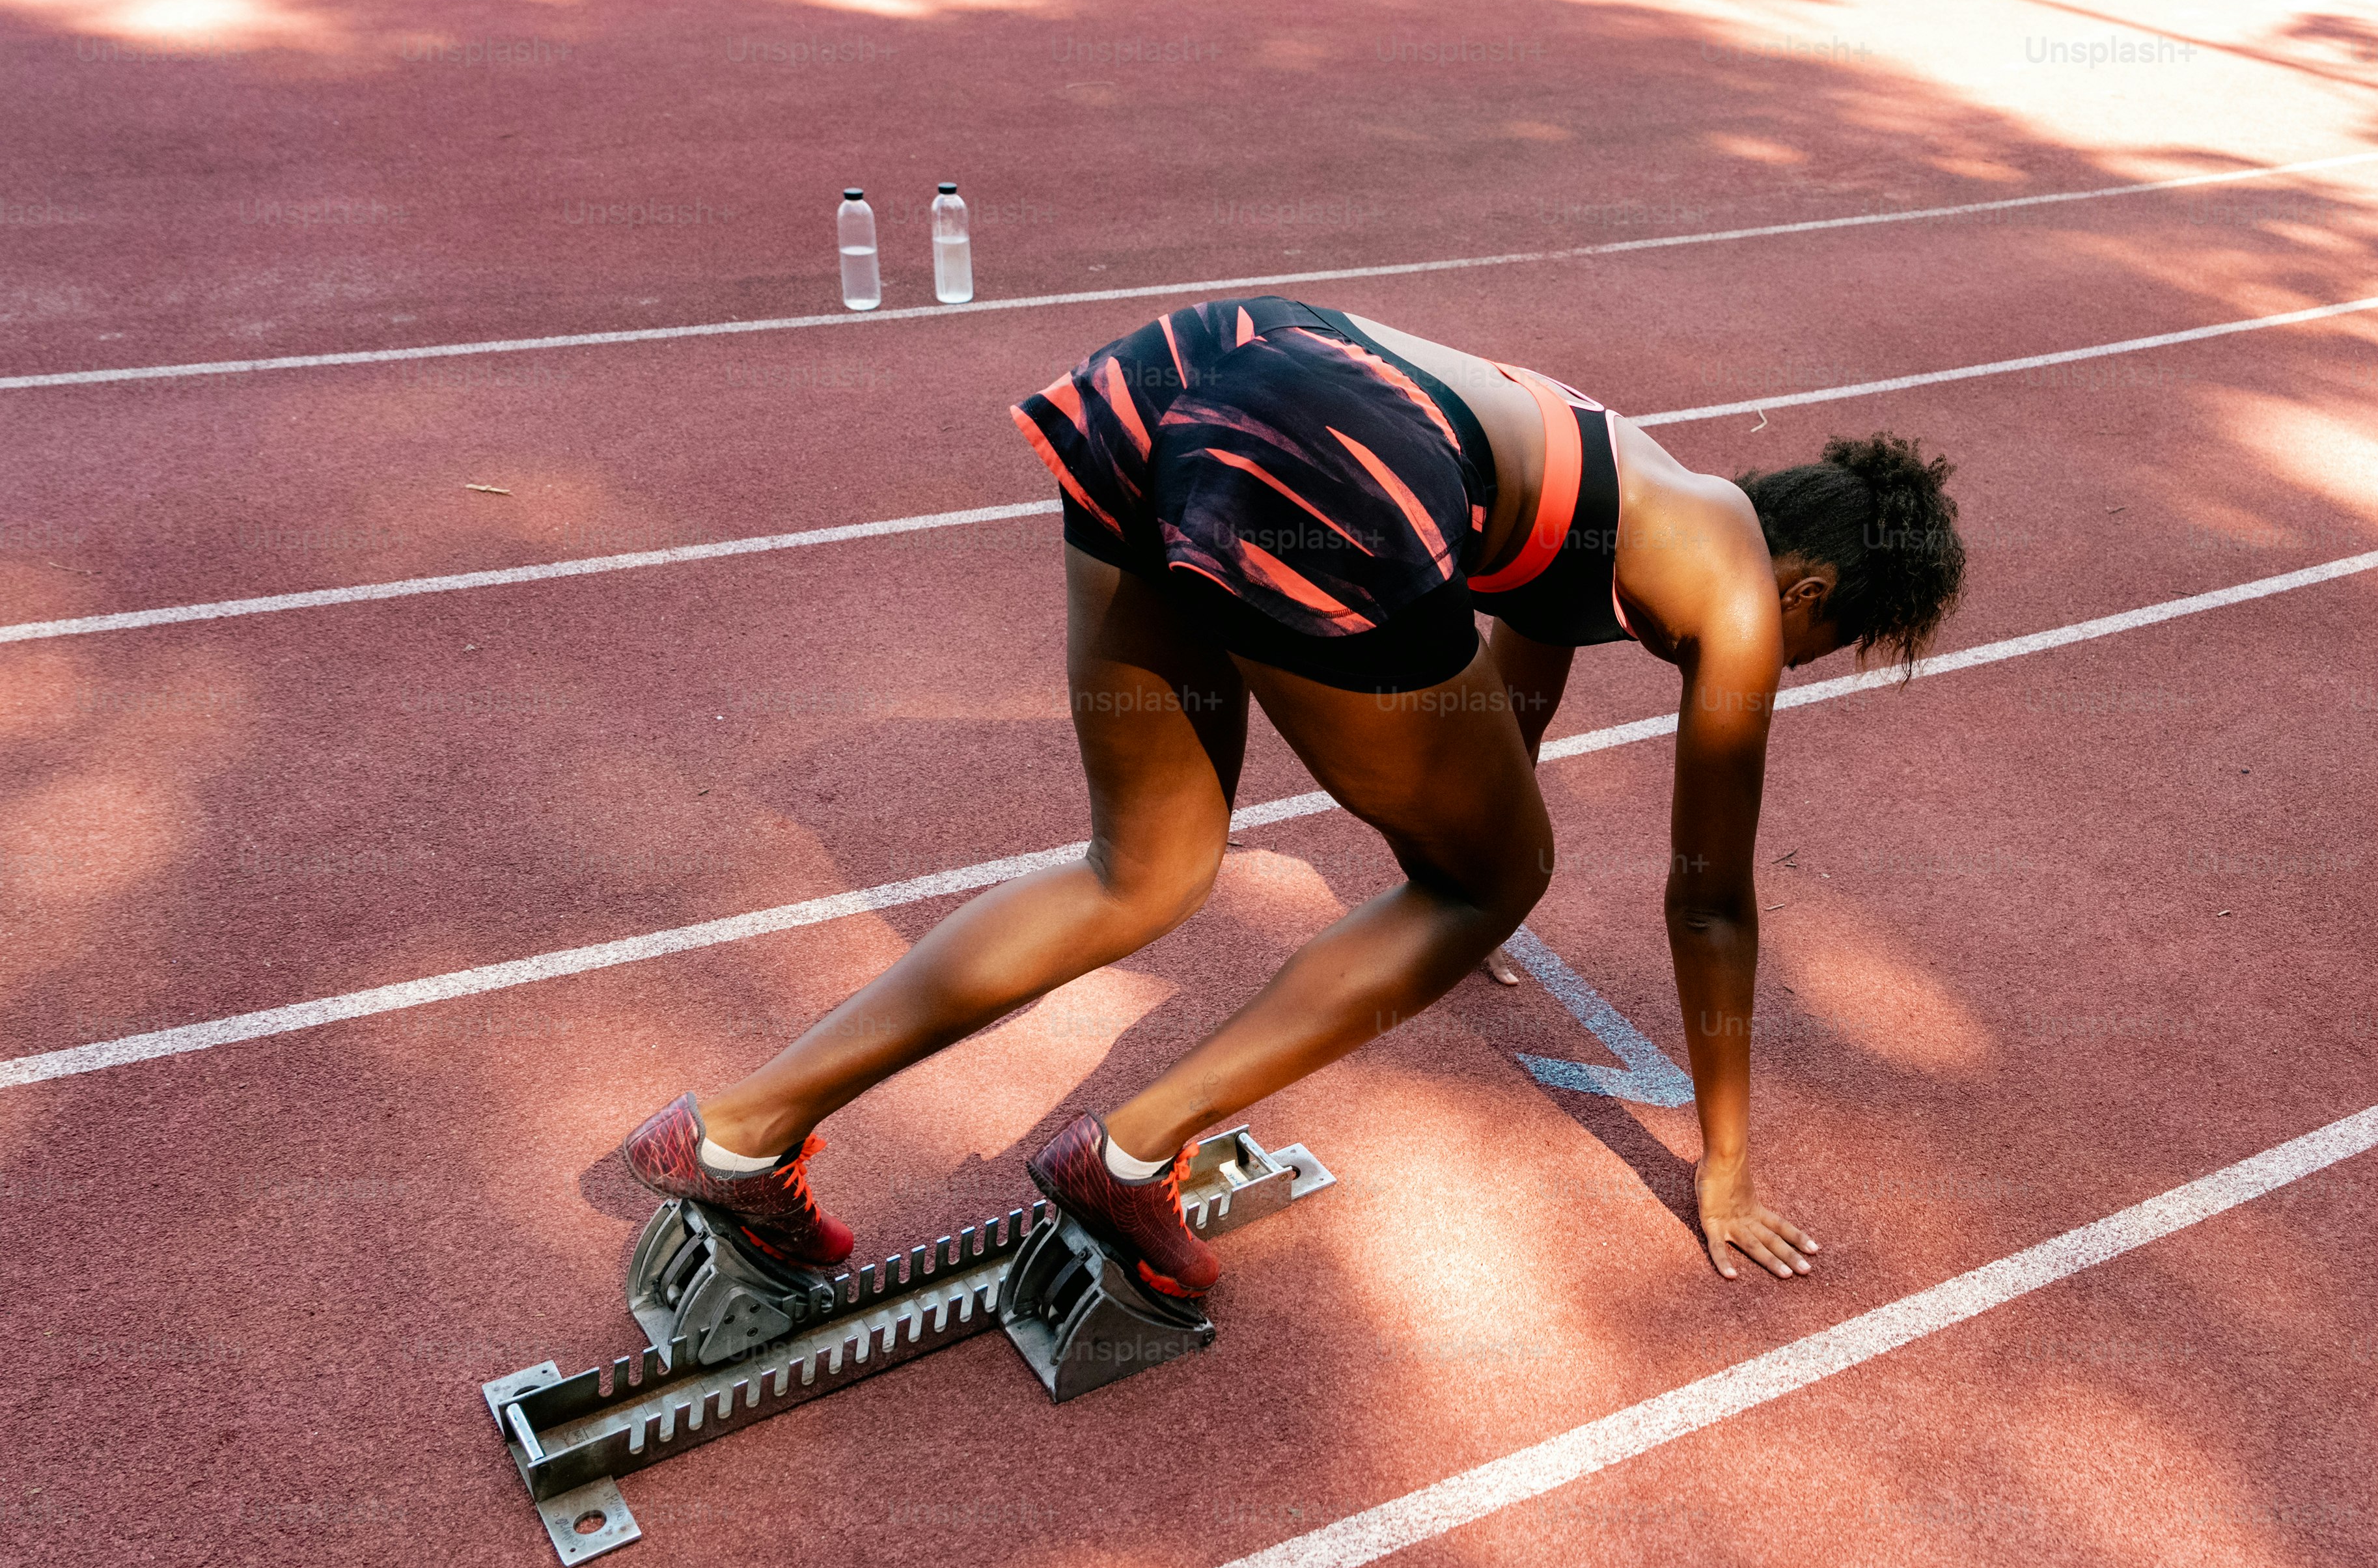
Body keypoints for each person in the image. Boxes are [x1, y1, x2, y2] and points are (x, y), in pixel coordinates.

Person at [619, 296, 1966, 1290]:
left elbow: (1513, 697)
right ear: (1808, 593)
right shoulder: (1733, 591)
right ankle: (1134, 1153)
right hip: (1325, 457)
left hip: (1188, 370)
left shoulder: (1631, 479)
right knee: (1498, 872)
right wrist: (1722, 1158)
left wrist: (1465, 868)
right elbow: (1713, 897)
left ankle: (739, 1130)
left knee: (1138, 869)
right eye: (1815, 650)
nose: (1783, 663)